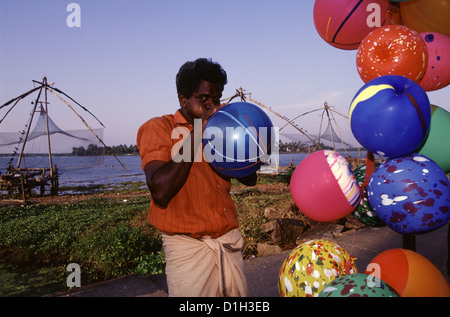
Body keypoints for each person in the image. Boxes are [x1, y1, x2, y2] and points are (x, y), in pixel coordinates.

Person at [137, 58, 257, 297]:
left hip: (227, 242)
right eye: (203, 99)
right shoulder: (159, 128)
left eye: (216, 98)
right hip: (187, 249)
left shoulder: (221, 129)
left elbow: (249, 179)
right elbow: (160, 192)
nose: (212, 106)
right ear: (183, 99)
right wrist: (199, 129)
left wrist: (248, 146)